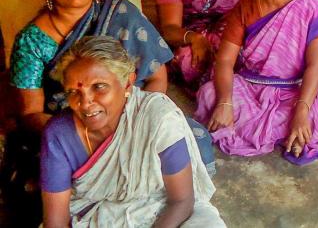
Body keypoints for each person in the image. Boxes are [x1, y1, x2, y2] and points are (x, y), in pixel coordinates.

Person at [3, 0, 213, 221]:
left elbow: (156, 79)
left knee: (189, 138)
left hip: (129, 111)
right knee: (40, 180)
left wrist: (132, 126)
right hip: (74, 126)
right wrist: (86, 130)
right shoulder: (32, 41)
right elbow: (31, 113)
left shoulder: (120, 13)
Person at [41, 36, 224, 227]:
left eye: (99, 87)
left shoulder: (157, 118)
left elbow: (181, 201)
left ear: (128, 83)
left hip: (163, 209)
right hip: (97, 218)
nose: (85, 102)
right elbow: (56, 222)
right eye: (73, 92)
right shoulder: (59, 135)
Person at [195, 0, 318, 164]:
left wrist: (301, 112)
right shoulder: (245, 7)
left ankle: (290, 127)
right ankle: (285, 132)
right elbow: (224, 61)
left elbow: (315, 67)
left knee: (315, 119)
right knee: (209, 94)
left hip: (297, 87)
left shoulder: (312, 8)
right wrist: (224, 102)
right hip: (252, 85)